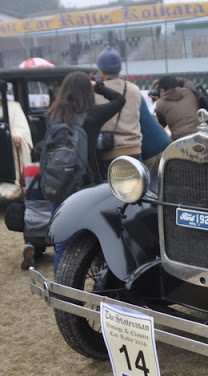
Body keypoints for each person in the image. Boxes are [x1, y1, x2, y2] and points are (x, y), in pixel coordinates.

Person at [46, 70, 125, 272]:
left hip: (59, 182)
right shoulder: (93, 116)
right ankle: (101, 279)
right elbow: (119, 100)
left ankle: (62, 291)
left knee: (61, 241)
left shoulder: (54, 115)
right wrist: (99, 86)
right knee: (97, 236)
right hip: (85, 184)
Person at [94, 46, 142, 176]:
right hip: (134, 151)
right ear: (119, 69)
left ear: (102, 71)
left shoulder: (96, 91)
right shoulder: (135, 90)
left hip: (108, 153)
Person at [21, 142, 50, 270]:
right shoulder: (53, 169)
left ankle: (32, 248)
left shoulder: (27, 169)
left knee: (29, 208)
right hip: (52, 228)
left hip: (31, 226)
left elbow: (22, 188)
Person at [0, 90, 33, 198]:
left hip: (6, 145)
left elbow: (20, 125)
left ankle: (14, 183)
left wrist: (17, 134)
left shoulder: (13, 106)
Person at [154, 76, 200, 140]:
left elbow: (160, 126)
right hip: (199, 134)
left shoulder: (160, 103)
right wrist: (172, 79)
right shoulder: (189, 92)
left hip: (180, 140)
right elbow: (186, 81)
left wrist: (157, 103)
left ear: (162, 90)